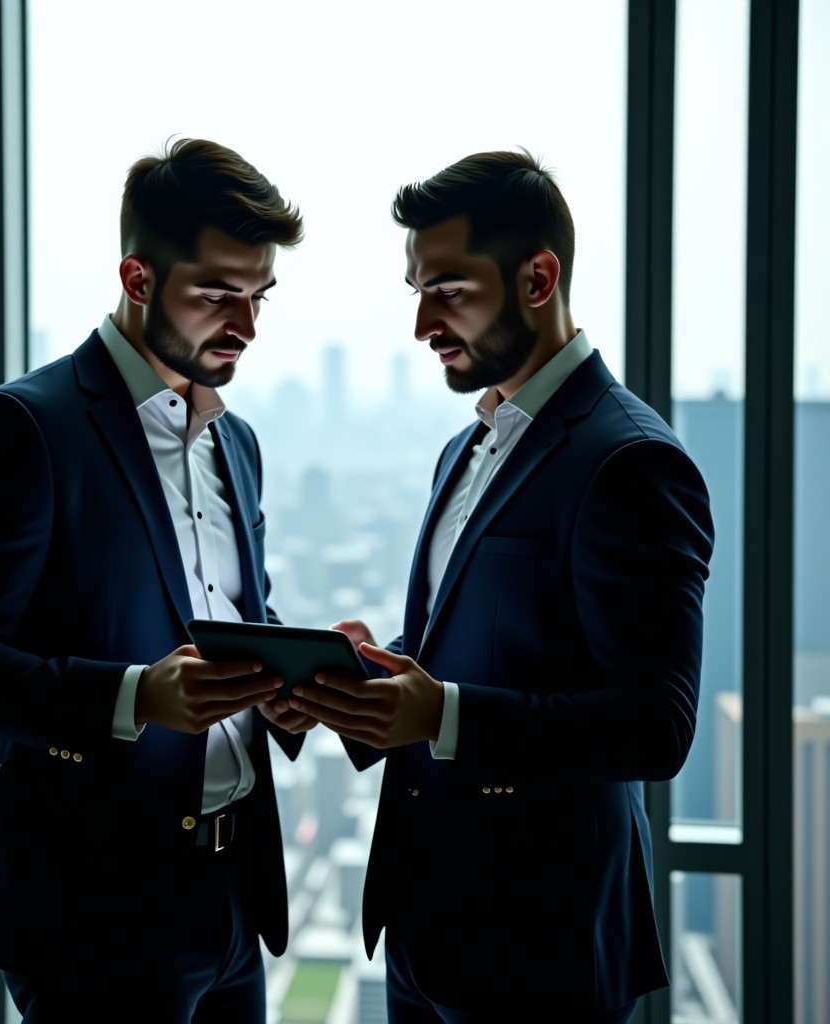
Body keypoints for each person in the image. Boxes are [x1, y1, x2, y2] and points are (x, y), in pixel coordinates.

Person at [287, 150, 715, 1023]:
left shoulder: (631, 463)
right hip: (424, 930)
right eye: (415, 288)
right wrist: (354, 678)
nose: (421, 323)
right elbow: (473, 654)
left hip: (542, 949)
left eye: (447, 288)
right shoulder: (467, 447)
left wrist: (440, 715)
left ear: (538, 276)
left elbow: (654, 727)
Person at [0, 138, 314, 1023]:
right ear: (136, 279)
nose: (244, 326)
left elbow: (236, 620)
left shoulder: (236, 445)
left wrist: (286, 683)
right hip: (93, 913)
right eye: (217, 296)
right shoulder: (25, 428)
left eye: (259, 297)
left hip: (236, 893)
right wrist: (136, 697)